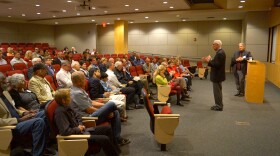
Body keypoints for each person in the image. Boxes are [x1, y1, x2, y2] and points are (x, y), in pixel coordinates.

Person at [70, 71, 130, 146]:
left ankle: (117, 138)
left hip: (92, 114)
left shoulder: (80, 90)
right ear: (78, 81)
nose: (86, 80)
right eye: (84, 79)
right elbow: (89, 109)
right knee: (111, 104)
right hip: (88, 119)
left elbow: (92, 102)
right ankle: (117, 110)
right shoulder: (76, 93)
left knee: (115, 111)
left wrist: (104, 107)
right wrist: (105, 111)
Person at [53, 88, 120, 156]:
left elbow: (78, 117)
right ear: (63, 100)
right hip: (76, 137)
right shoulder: (60, 112)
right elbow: (65, 131)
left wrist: (80, 125)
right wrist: (78, 129)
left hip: (82, 131)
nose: (71, 98)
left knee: (107, 128)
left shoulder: (68, 106)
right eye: (69, 97)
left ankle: (116, 151)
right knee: (105, 139)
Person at [0, 72, 47, 156]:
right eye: (3, 82)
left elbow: (14, 109)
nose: (7, 83)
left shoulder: (5, 93)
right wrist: (19, 119)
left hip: (20, 119)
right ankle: (37, 154)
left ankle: (42, 147)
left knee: (44, 113)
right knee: (38, 122)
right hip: (11, 126)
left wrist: (26, 113)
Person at [202, 40, 226, 111]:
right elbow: (217, 62)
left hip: (217, 76)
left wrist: (208, 61)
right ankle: (219, 104)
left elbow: (217, 65)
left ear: (218, 45)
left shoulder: (220, 53)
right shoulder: (220, 52)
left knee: (217, 92)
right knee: (218, 91)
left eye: (213, 44)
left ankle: (218, 106)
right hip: (218, 75)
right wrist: (211, 60)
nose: (212, 46)